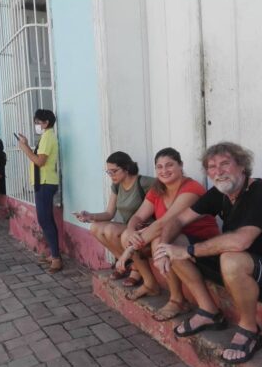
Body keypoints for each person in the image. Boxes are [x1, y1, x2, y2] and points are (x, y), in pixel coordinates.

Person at [154, 142, 262, 364]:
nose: (218, 172)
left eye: (224, 164)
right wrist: (163, 248)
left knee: (230, 258)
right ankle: (208, 310)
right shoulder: (220, 193)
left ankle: (250, 330)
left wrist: (188, 251)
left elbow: (241, 241)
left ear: (242, 166)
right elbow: (178, 219)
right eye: (211, 167)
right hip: (236, 266)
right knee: (174, 241)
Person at [118, 148, 219, 321]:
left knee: (160, 241)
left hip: (202, 241)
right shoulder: (158, 189)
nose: (164, 171)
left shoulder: (191, 189)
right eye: (159, 167)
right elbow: (138, 215)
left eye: (169, 165)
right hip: (173, 236)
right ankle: (151, 284)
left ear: (181, 166)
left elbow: (164, 223)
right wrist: (131, 230)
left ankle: (177, 299)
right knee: (127, 236)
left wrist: (128, 250)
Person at [74, 151, 155, 286]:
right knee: (95, 227)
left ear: (127, 168)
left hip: (143, 228)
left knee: (111, 229)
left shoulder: (145, 182)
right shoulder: (117, 186)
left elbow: (163, 193)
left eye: (114, 171)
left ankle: (136, 269)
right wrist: (90, 216)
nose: (111, 175)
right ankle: (124, 263)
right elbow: (109, 213)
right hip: (127, 227)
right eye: (108, 172)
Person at [17, 109, 61, 273]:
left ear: (46, 123)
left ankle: (56, 258)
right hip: (42, 182)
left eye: (37, 122)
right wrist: (27, 144)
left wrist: (24, 148)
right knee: (46, 220)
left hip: (45, 182)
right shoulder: (45, 136)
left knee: (45, 220)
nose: (36, 125)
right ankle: (54, 254)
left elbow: (40, 161)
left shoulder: (48, 137)